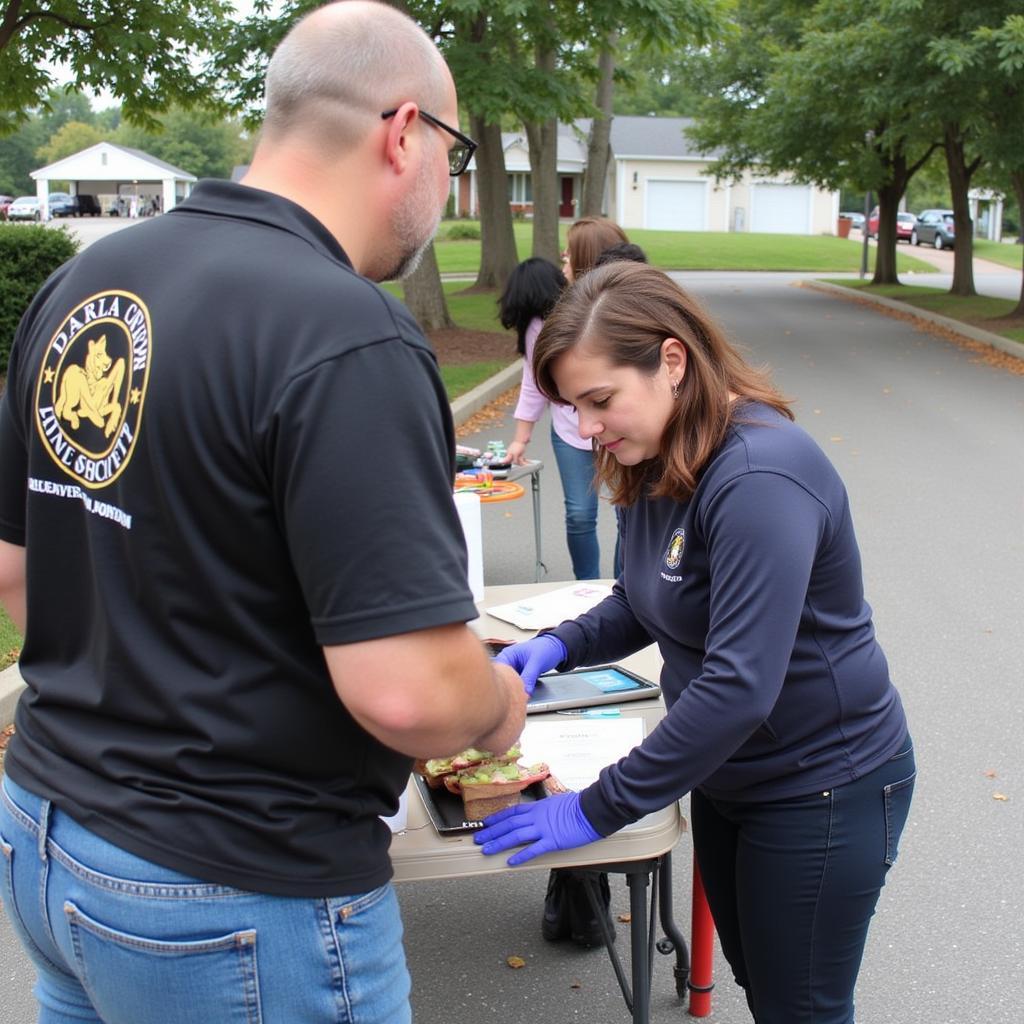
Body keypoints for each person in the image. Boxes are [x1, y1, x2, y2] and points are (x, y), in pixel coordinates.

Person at [0, 4, 526, 1023]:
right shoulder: (345, 333)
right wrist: (498, 709)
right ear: (403, 131)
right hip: (231, 890)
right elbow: (410, 694)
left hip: (46, 835)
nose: (446, 183)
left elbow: (18, 571)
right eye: (452, 153)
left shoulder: (87, 279)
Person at [479, 261, 916, 1024]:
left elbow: (740, 684)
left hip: (823, 783)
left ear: (672, 361)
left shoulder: (760, 474)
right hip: (732, 778)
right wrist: (555, 646)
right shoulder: (657, 455)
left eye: (599, 400)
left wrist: (597, 809)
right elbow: (642, 599)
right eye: (573, 407)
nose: (585, 429)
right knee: (762, 979)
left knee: (802, 1006)